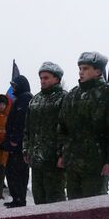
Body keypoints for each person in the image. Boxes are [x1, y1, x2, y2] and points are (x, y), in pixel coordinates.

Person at [58, 52, 109, 199]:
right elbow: (63, 128)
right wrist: (62, 154)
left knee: (94, 208)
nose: (81, 72)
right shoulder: (72, 95)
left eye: (86, 68)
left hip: (96, 165)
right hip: (72, 163)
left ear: (98, 71)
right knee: (74, 206)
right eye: (80, 68)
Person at [23, 62, 67, 205]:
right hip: (36, 160)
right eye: (41, 78)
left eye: (46, 78)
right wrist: (26, 150)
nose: (42, 81)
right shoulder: (35, 100)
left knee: (55, 199)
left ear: (57, 79)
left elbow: (66, 130)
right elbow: (27, 128)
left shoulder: (64, 99)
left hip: (54, 161)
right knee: (39, 197)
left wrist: (62, 154)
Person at [0, 75, 33, 208]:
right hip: (16, 145)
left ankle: (20, 200)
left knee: (18, 173)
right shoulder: (20, 98)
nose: (13, 88)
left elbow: (22, 121)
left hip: (19, 146)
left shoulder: (25, 98)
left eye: (14, 85)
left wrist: (15, 139)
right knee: (11, 172)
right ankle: (16, 199)